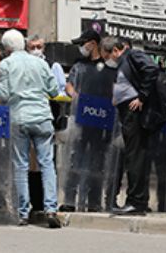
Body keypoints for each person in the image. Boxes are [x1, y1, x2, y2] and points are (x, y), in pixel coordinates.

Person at [0, 29, 61, 229]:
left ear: (7, 48)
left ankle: (22, 212)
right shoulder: (40, 63)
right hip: (42, 116)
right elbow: (53, 90)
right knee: (47, 164)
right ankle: (51, 209)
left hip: (19, 117)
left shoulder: (5, 65)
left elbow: (3, 95)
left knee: (21, 165)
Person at [104, 36, 166, 216]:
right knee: (134, 156)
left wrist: (141, 96)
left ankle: (136, 201)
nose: (108, 60)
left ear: (115, 51)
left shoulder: (132, 55)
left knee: (135, 157)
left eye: (108, 56)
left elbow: (151, 69)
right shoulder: (123, 63)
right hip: (127, 112)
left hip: (135, 113)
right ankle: (137, 200)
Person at [60, 27, 115, 213]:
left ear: (92, 44)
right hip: (82, 119)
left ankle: (94, 202)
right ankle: (70, 199)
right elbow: (69, 84)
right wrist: (75, 96)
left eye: (83, 44)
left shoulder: (108, 67)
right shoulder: (79, 65)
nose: (81, 47)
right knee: (76, 159)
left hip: (101, 122)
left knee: (97, 162)